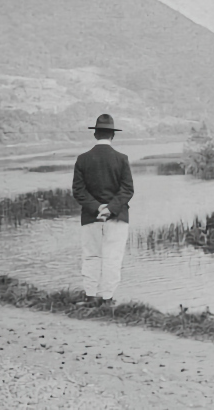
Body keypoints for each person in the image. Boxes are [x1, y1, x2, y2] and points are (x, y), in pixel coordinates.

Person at [72, 114, 134, 306]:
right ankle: (107, 299)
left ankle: (90, 296)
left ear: (95, 134)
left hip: (90, 217)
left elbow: (78, 191)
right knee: (112, 257)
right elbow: (127, 190)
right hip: (117, 217)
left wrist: (97, 207)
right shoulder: (122, 159)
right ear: (112, 135)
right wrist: (110, 209)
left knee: (91, 255)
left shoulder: (82, 159)